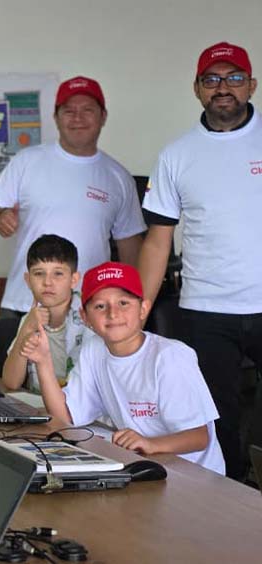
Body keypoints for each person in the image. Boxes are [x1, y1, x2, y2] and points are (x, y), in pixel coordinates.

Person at [139, 41, 261, 481]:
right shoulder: (176, 155)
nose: (222, 88)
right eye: (211, 79)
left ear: (251, 84)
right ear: (197, 88)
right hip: (206, 311)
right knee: (218, 421)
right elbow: (157, 240)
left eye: (232, 78)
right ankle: (229, 516)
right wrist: (141, 306)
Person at [23, 261, 225, 474]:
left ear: (143, 308)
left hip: (195, 476)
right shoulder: (94, 350)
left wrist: (150, 444)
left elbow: (198, 437)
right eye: (100, 306)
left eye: (124, 303)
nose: (113, 313)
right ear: (85, 317)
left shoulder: (169, 357)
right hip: (146, 465)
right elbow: (65, 417)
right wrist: (43, 362)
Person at [0, 76, 145, 319]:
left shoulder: (118, 177)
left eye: (87, 110)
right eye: (69, 111)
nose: (78, 118)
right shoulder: (27, 161)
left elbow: (131, 249)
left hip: (90, 309)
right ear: (56, 117)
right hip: (24, 304)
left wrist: (131, 303)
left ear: (103, 116)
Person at [2, 234, 90, 392]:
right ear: (28, 280)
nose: (47, 282)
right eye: (39, 273)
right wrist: (27, 329)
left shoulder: (91, 317)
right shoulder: (30, 320)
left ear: (74, 279)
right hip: (39, 409)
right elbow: (11, 382)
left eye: (58, 273)